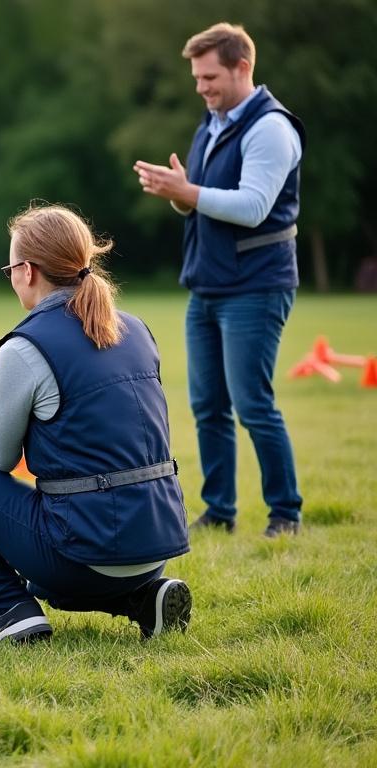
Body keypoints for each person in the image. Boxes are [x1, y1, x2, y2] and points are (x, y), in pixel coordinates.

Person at [0, 204, 192, 643]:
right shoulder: (137, 329)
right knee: (45, 567)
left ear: (28, 271)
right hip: (156, 545)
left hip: (84, 554)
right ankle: (141, 597)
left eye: (10, 268)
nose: (12, 277)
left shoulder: (24, 347)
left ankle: (9, 609)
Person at [133, 22, 305, 538]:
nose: (201, 88)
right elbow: (203, 199)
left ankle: (285, 515)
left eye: (210, 77)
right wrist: (178, 194)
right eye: (197, 78)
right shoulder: (212, 122)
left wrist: (188, 192)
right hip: (207, 284)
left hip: (256, 286)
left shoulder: (271, 129)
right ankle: (219, 512)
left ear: (242, 68)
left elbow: (253, 207)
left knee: (253, 404)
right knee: (207, 405)